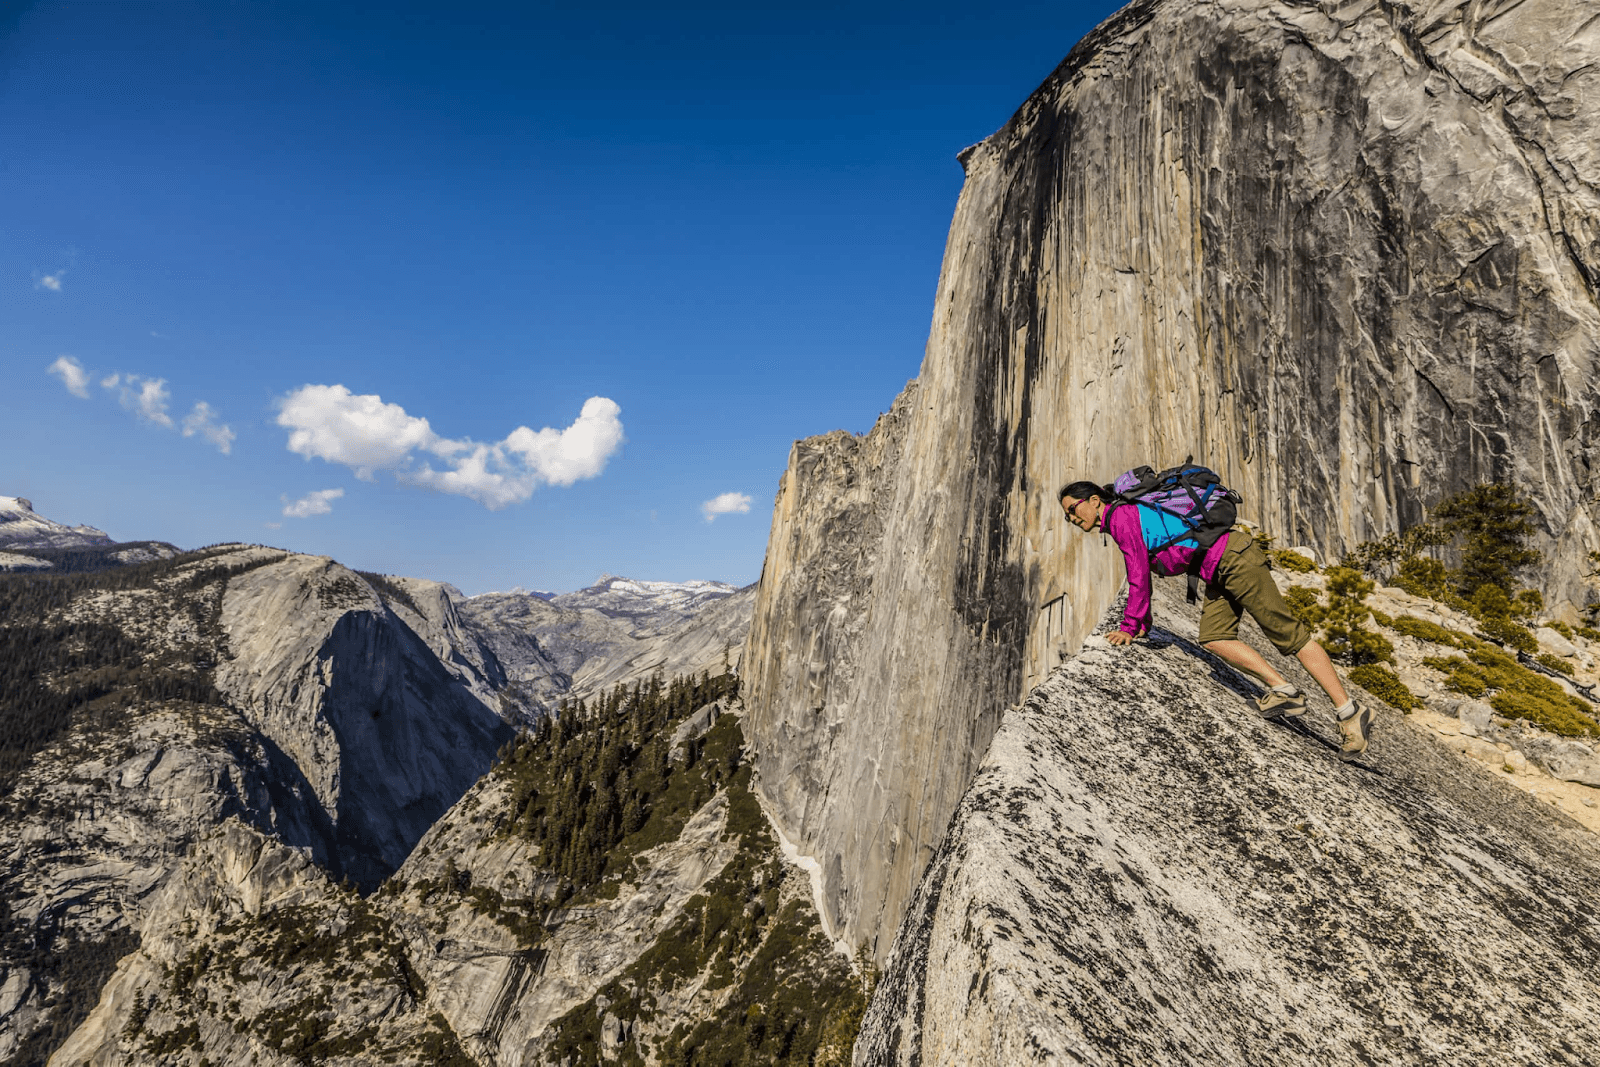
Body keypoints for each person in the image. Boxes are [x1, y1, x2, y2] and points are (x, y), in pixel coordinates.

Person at [1058, 479, 1374, 761]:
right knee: (1214, 636)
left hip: (1233, 558)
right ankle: (1284, 691)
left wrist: (1129, 627)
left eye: (1074, 509)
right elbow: (1144, 570)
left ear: (1095, 500)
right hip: (1216, 569)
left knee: (1290, 637)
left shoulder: (1122, 517)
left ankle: (1349, 712)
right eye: (1067, 515)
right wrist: (1144, 623)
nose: (1072, 518)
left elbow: (1137, 572)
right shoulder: (1125, 516)